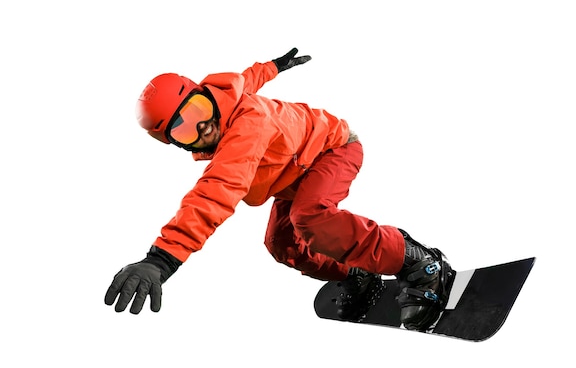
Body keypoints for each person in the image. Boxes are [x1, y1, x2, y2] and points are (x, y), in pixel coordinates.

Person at [104, 48, 454, 331]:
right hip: (292, 174)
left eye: (199, 109)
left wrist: (162, 259)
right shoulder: (227, 100)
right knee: (281, 244)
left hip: (331, 148)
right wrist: (273, 66)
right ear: (175, 143)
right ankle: (356, 275)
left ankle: (419, 264)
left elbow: (218, 190)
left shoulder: (247, 123)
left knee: (311, 219)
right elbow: (246, 79)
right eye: (185, 130)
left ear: (203, 93)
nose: (205, 126)